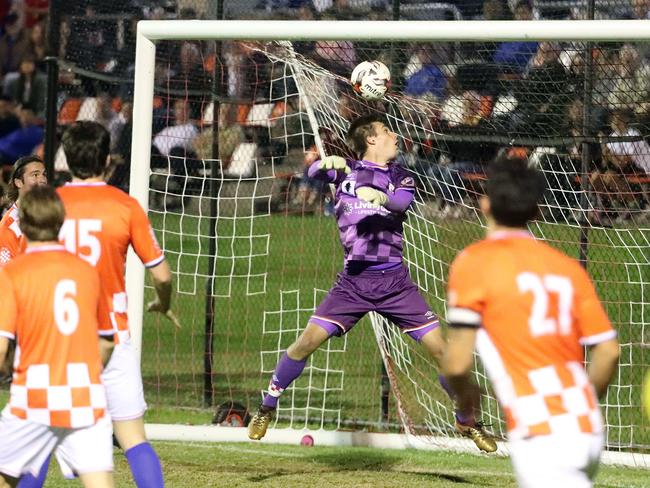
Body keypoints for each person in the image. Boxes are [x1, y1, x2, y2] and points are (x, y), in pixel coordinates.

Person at [247, 114, 497, 453]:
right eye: (386, 131)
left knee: (444, 352)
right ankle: (267, 407)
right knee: (305, 343)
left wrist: (379, 198)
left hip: (395, 282)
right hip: (353, 283)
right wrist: (323, 164)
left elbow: (402, 202)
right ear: (371, 140)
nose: (395, 136)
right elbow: (311, 174)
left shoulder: (400, 176)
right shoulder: (346, 170)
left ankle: (467, 421)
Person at [441, 154, 620, 487]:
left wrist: (469, 400)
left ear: (485, 204)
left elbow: (455, 364)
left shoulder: (474, 262)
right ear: (537, 211)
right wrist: (581, 402)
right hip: (586, 424)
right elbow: (608, 352)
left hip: (540, 428)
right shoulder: (566, 267)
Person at [28, 121, 179, 488]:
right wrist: (162, 303)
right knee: (133, 439)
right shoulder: (125, 207)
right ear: (107, 160)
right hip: (112, 334)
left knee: (38, 441)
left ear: (65, 158)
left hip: (59, 337)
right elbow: (161, 275)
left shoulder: (49, 205)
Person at [0, 185, 114, 488]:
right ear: (61, 221)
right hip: (85, 395)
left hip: (34, 395)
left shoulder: (12, 274)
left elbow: (0, 350)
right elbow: (107, 340)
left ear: (23, 224)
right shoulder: (87, 270)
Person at [0, 155, 46, 387]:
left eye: (44, 174)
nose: (42, 180)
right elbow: (7, 275)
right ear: (18, 183)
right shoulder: (10, 226)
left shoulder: (46, 214)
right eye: (35, 175)